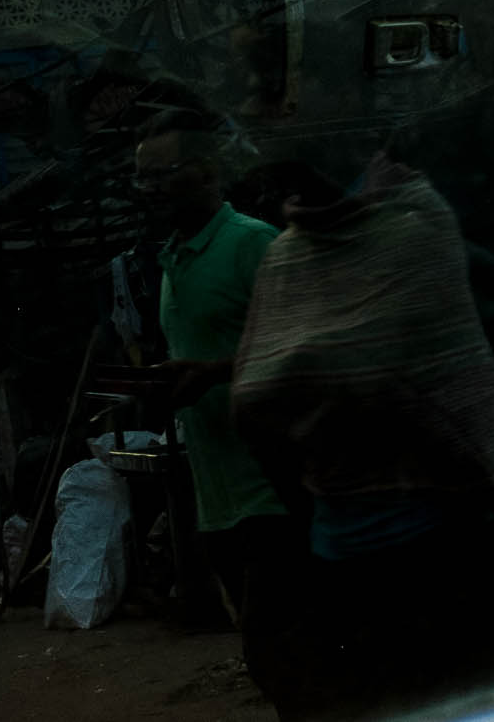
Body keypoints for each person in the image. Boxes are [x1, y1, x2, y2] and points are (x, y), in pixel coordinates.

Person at [229, 153, 494, 720]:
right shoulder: (284, 260)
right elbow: (254, 399)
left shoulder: (413, 233)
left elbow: (426, 388)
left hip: (441, 547)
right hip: (339, 550)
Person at [134, 109, 295, 638]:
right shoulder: (172, 260)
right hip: (216, 501)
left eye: (163, 173)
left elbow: (302, 349)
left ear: (206, 170)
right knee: (267, 659)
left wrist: (212, 373)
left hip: (274, 491)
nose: (150, 188)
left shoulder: (252, 244)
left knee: (288, 651)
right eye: (143, 176)